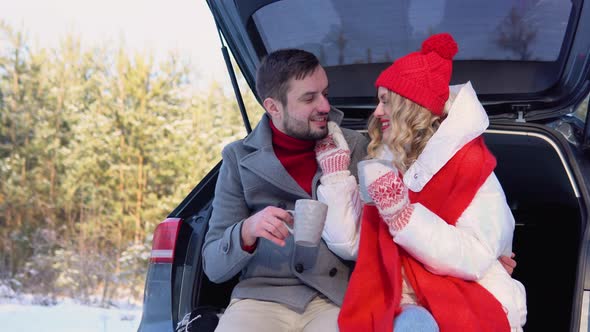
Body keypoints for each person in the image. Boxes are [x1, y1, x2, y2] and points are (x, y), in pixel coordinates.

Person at [315, 33, 527, 332]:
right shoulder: (383, 163)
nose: (376, 113)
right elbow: (353, 244)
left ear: (410, 106)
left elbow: (476, 255)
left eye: (385, 102)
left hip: (459, 294)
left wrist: (405, 218)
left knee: (413, 324)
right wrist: (336, 176)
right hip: (391, 293)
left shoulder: (471, 166)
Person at [201, 49, 368, 332]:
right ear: (273, 107)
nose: (325, 107)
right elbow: (213, 266)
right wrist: (246, 231)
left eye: (325, 93)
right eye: (309, 98)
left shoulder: (352, 147)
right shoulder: (238, 158)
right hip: (259, 298)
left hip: (334, 297)